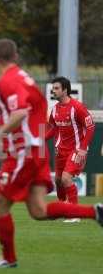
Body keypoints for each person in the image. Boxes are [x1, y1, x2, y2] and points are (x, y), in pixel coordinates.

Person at [0, 38, 103, 268]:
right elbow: (36, 116)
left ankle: (8, 258)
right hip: (37, 152)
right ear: (15, 56)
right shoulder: (25, 78)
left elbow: (19, 113)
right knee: (38, 210)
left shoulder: (7, 81)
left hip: (23, 153)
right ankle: (95, 212)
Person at [46, 76, 95, 223]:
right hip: (60, 151)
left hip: (75, 150)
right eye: (52, 88)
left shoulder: (77, 107)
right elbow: (53, 129)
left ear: (65, 90)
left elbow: (90, 126)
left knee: (66, 178)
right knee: (59, 180)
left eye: (56, 88)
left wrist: (83, 148)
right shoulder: (54, 110)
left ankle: (74, 213)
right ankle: (62, 208)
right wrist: (39, 140)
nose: (53, 91)